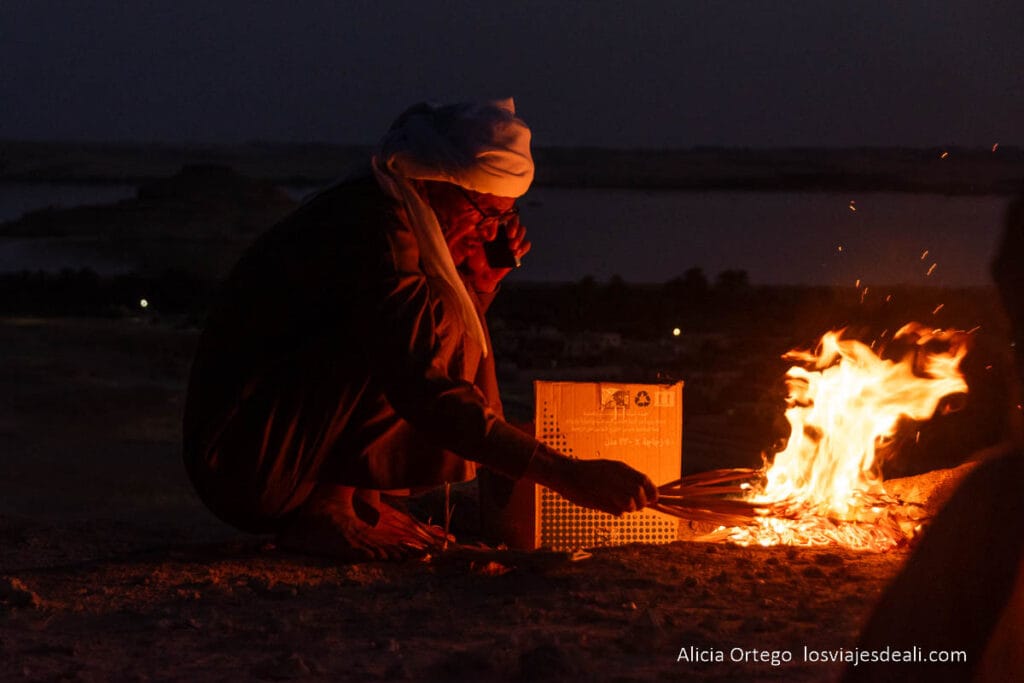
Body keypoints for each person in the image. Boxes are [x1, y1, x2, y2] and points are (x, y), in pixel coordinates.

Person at [182, 98, 657, 561]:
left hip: (277, 444)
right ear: (438, 182)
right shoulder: (379, 229)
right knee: (426, 324)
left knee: (444, 312)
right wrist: (567, 476)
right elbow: (420, 381)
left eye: (507, 216)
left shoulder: (398, 214)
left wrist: (481, 284)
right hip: (246, 460)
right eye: (487, 213)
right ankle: (329, 509)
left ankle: (359, 501)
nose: (494, 231)